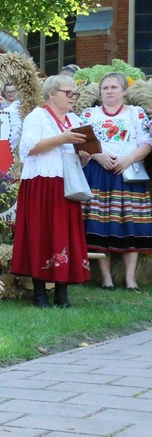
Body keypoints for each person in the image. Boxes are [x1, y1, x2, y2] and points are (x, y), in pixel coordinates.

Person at [11, 75, 91, 308]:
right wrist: (63, 138)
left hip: (66, 183)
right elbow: (29, 148)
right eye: (68, 93)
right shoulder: (37, 117)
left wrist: (84, 157)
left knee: (63, 233)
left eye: (74, 94)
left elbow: (78, 158)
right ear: (52, 93)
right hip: (41, 183)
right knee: (41, 232)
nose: (73, 98)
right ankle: (39, 292)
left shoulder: (75, 119)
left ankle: (62, 292)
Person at [79, 72, 152, 292]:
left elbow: (147, 143)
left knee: (131, 225)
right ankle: (106, 278)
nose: (109, 91)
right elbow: (80, 141)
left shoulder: (136, 114)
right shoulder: (90, 114)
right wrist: (97, 155)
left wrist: (128, 159)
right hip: (98, 173)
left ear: (124, 90)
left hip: (129, 173)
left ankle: (130, 279)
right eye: (105, 88)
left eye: (113, 87)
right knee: (101, 224)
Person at [1, 82, 23, 149]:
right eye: (8, 92)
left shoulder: (21, 105)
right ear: (5, 93)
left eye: (13, 91)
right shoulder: (1, 105)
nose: (11, 94)